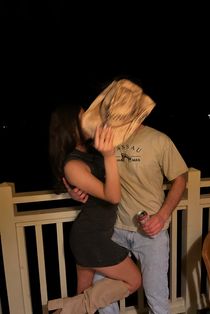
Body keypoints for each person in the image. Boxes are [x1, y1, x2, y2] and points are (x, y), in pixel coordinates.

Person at [65, 77, 189, 314]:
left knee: (157, 298)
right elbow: (83, 171)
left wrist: (162, 216)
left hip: (151, 232)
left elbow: (180, 180)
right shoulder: (102, 142)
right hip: (112, 230)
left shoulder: (159, 140)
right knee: (103, 297)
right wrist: (74, 190)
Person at [47, 103, 142, 314]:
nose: (90, 118)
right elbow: (113, 196)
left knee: (84, 294)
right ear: (70, 127)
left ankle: (67, 308)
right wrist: (108, 155)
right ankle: (65, 310)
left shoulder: (89, 151)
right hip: (92, 238)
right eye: (83, 117)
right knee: (134, 280)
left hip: (93, 235)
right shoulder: (72, 164)